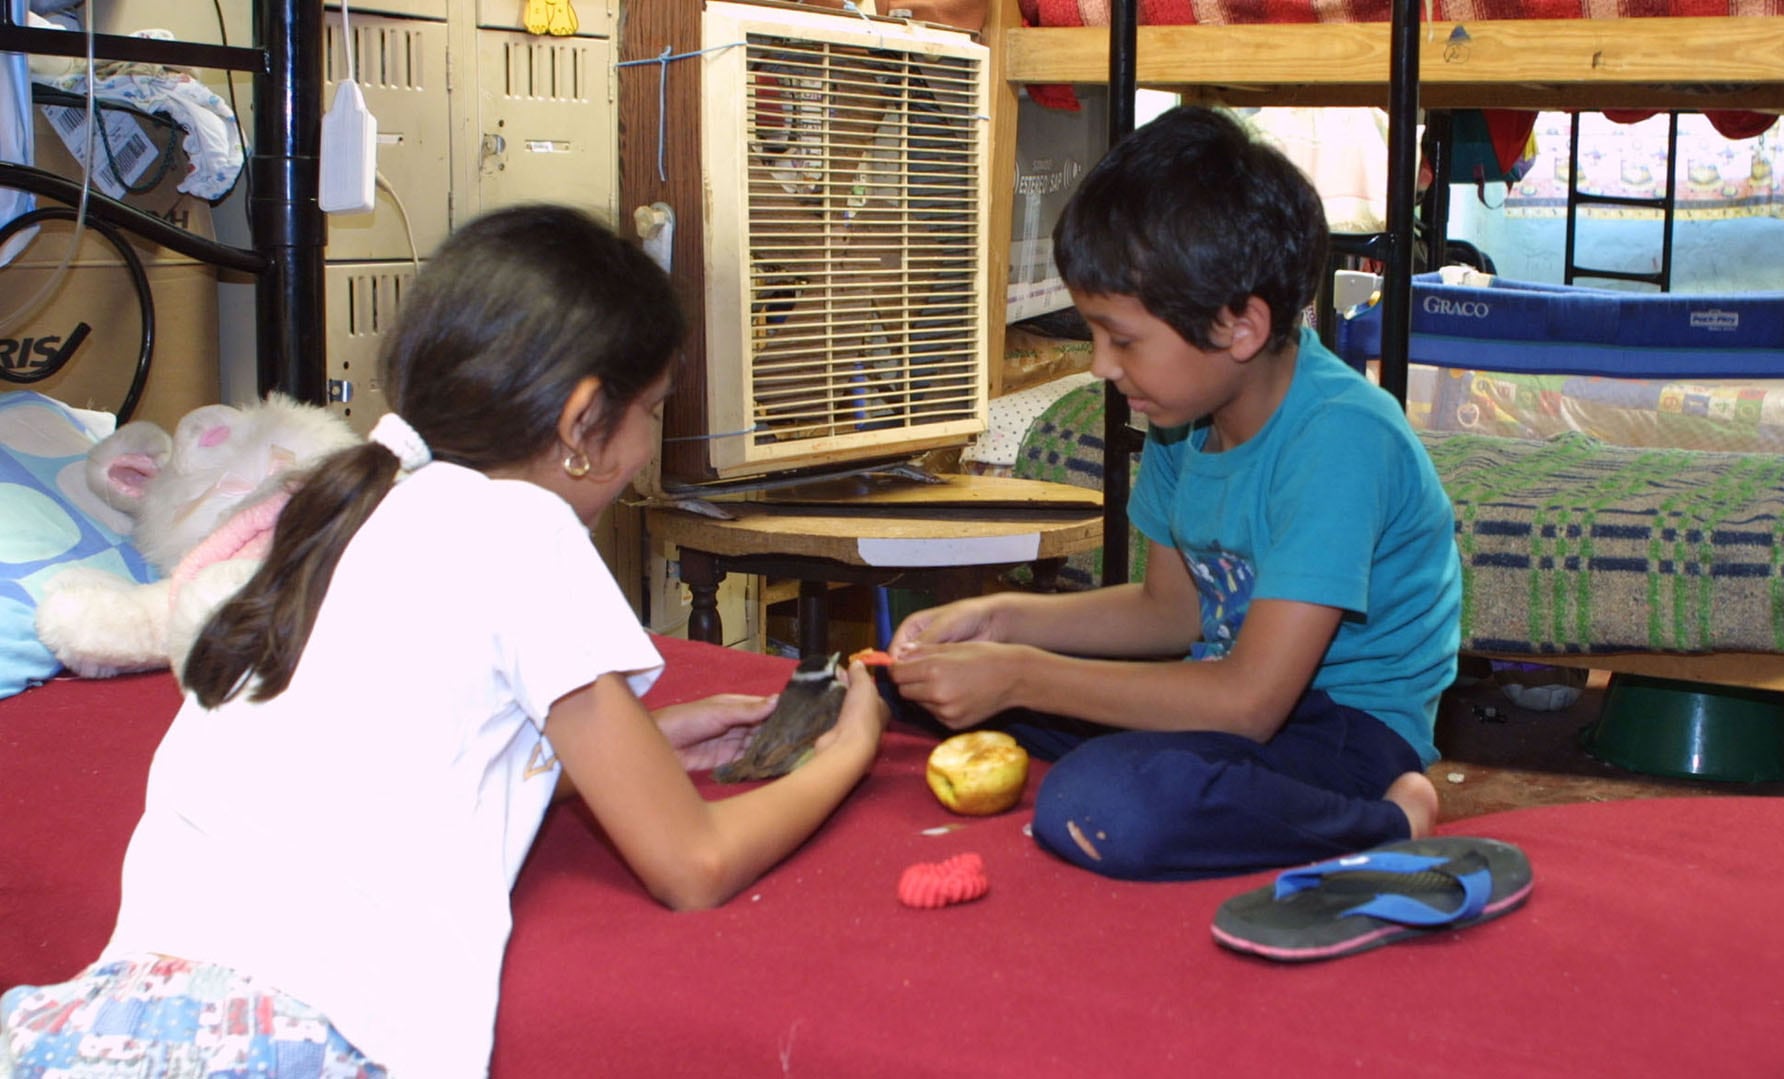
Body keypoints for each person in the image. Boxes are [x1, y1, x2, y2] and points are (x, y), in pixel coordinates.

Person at [0, 205, 887, 1078]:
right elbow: (692, 863)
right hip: (288, 1039)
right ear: (583, 423)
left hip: (110, 1013)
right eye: (652, 407)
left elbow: (391, 748)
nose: (650, 439)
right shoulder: (523, 531)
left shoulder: (342, 509)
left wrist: (646, 744)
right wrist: (843, 756)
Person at [886, 106, 1460, 882]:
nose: (1099, 366)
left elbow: (1251, 701)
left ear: (1240, 327)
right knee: (906, 687)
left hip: (1342, 728)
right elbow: (1170, 612)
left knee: (1101, 803)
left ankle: (1390, 818)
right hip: (1229, 699)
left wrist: (1022, 671)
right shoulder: (1182, 420)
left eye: (1121, 338)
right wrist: (998, 618)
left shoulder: (1342, 439)